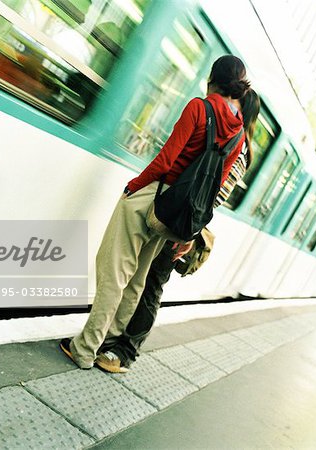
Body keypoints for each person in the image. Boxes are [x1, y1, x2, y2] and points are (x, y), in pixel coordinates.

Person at [60, 55, 250, 370]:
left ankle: (84, 349)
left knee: (114, 272)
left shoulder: (199, 107)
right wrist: (191, 231)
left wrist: (134, 186)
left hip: (154, 194)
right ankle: (109, 342)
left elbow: (165, 160)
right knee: (137, 279)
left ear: (211, 78)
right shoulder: (239, 134)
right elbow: (214, 188)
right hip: (176, 215)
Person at [95, 89, 261, 373]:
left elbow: (212, 193)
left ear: (240, 108)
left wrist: (192, 232)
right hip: (185, 215)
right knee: (141, 278)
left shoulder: (237, 144)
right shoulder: (232, 136)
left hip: (186, 219)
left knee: (152, 284)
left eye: (234, 102)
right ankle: (109, 341)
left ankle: (125, 351)